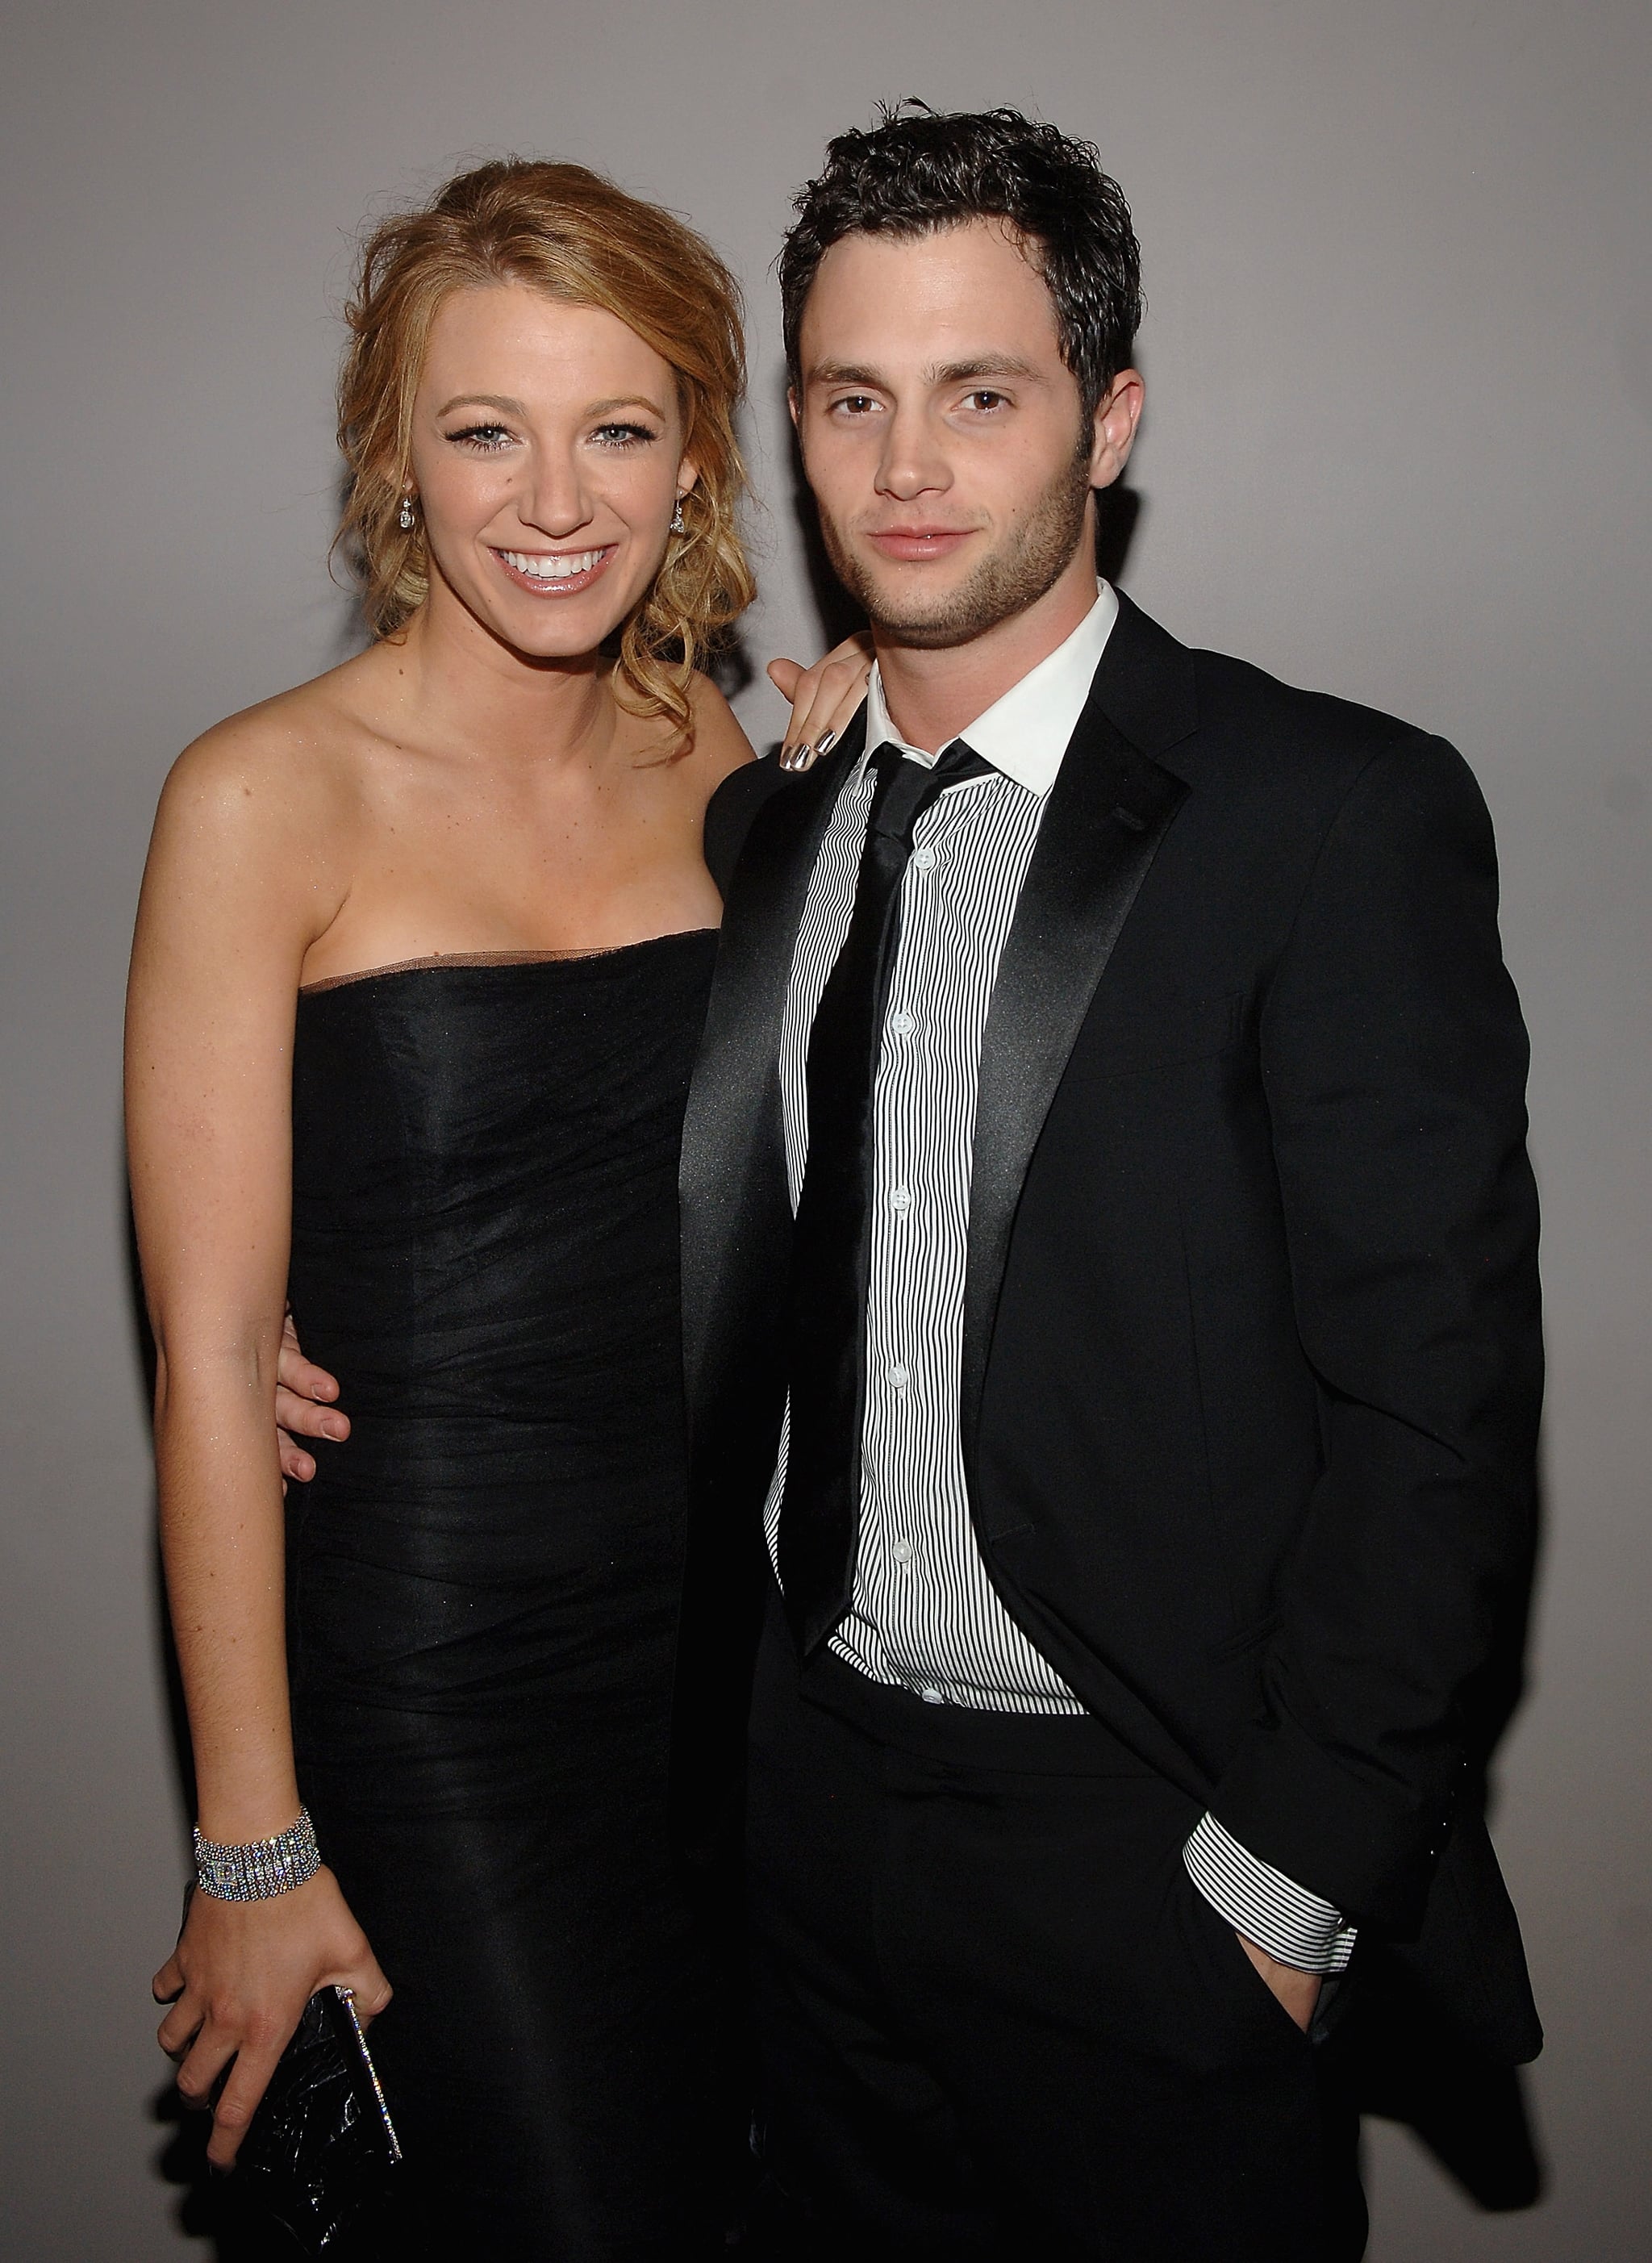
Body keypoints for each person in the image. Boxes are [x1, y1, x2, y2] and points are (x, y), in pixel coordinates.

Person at [667, 106, 1544, 2261]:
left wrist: (1282, 1885)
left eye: (984, 393)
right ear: (795, 420)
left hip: (1142, 1851)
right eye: (853, 399)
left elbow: (1437, 1409)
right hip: (805, 1819)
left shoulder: (1328, 812)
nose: (907, 467)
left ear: (1109, 413)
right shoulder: (772, 830)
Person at [126, 157, 865, 2258]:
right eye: (486, 430)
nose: (555, 501)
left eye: (617, 429)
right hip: (436, 1678)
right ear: (394, 452)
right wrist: (253, 1848)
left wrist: (841, 787)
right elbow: (207, 1361)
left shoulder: (712, 747)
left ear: (697, 458)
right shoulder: (262, 796)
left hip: (725, 1670)